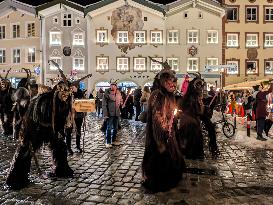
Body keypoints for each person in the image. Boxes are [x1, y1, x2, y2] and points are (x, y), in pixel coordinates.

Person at [142, 62, 185, 192]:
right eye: (169, 82)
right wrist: (163, 133)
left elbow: (170, 112)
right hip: (159, 135)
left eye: (173, 82)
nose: (172, 85)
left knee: (171, 157)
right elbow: (157, 117)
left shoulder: (169, 96)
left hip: (168, 132)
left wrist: (175, 116)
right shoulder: (157, 95)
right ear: (163, 82)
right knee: (159, 158)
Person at [102, 81, 123, 148]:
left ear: (116, 86)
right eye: (111, 85)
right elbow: (104, 104)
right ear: (110, 86)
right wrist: (105, 114)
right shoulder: (106, 93)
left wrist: (122, 104)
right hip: (109, 113)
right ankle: (108, 142)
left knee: (116, 128)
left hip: (116, 113)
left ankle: (113, 140)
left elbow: (120, 101)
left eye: (114, 85)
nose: (113, 86)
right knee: (109, 128)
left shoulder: (118, 92)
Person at [65, 84, 85, 154]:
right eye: (70, 87)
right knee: (68, 132)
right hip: (69, 117)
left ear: (76, 87)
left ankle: (78, 146)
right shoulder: (67, 94)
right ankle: (68, 147)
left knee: (78, 131)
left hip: (79, 115)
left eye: (73, 87)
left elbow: (84, 103)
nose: (71, 88)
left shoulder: (80, 93)